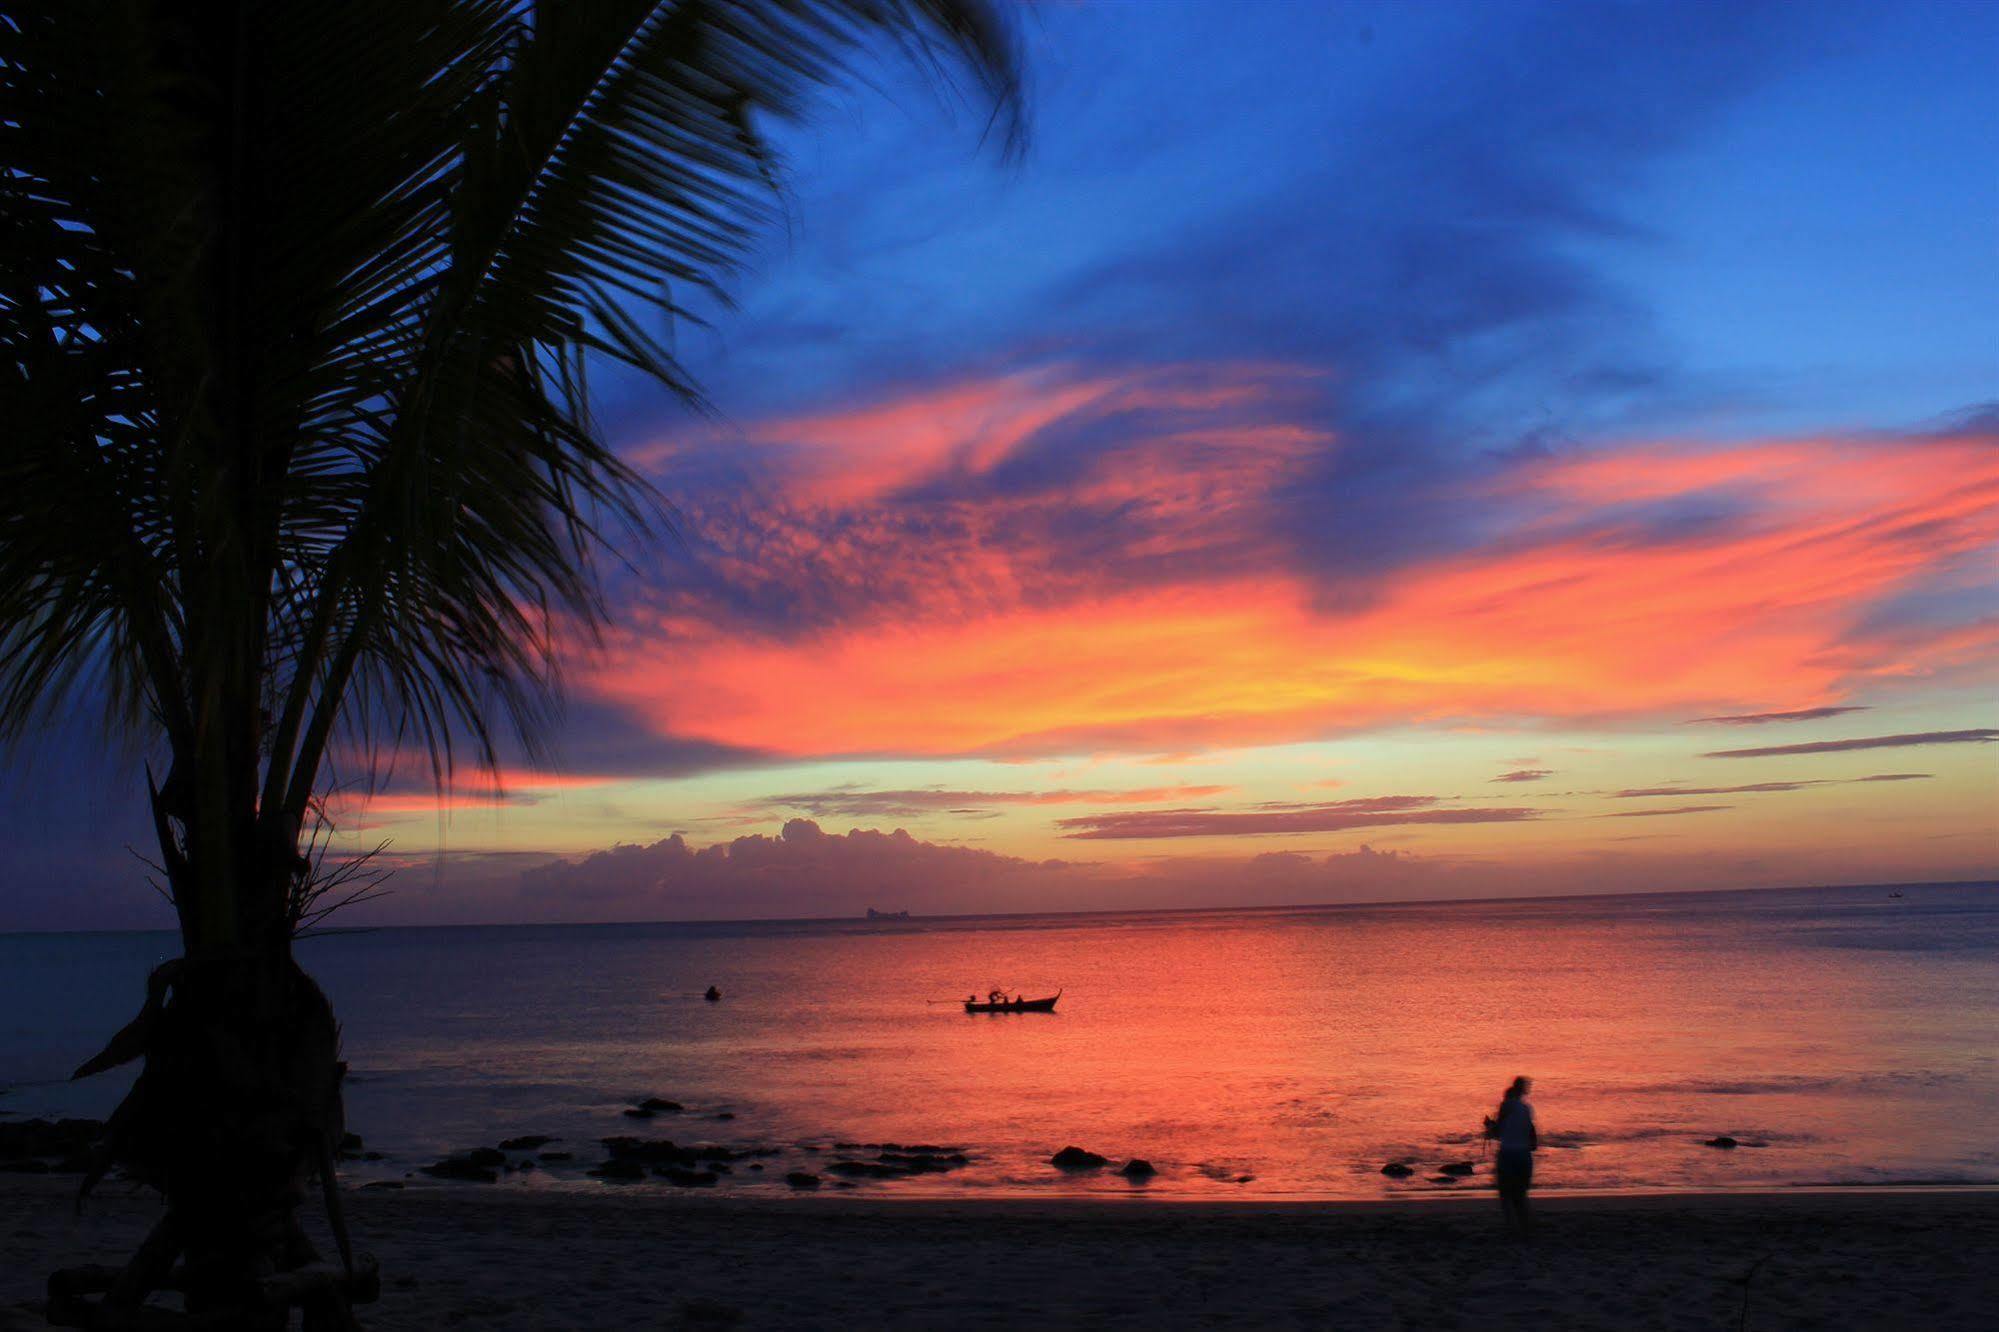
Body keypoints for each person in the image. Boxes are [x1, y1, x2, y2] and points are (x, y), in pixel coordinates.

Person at [1491, 1075, 1538, 1239]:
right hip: (1524, 1156)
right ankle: (1526, 1230)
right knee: (1520, 1196)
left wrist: (1490, 1127)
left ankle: (1511, 1229)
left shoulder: (1506, 1106)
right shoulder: (1527, 1109)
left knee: (1506, 1195)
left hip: (1508, 1155)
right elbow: (1533, 1142)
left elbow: (1496, 1132)